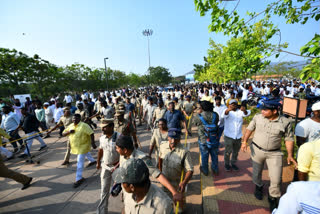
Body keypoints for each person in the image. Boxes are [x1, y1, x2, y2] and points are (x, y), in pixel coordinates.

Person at [241, 100, 296, 212]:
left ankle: (273, 197)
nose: (262, 111)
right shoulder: (257, 117)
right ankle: (258, 186)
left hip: (274, 153)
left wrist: (290, 155)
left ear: (274, 111)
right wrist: (244, 141)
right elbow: (249, 129)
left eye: (265, 110)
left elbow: (289, 139)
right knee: (256, 172)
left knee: (276, 178)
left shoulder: (285, 122)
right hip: (257, 150)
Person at [115, 135, 183, 206]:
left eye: (117, 148)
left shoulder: (142, 159)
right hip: (126, 193)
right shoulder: (123, 156)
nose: (116, 150)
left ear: (125, 150)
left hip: (138, 196)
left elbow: (157, 174)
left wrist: (174, 192)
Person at [158, 128, 193, 212]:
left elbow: (190, 170)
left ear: (179, 139)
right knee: (166, 206)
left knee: (179, 209)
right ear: (168, 138)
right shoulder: (162, 146)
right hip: (165, 183)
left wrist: (184, 182)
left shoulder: (184, 152)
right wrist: (160, 172)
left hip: (178, 186)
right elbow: (160, 159)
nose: (173, 141)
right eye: (171, 138)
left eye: (175, 138)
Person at [62, 114, 97, 188]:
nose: (74, 120)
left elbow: (91, 133)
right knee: (86, 153)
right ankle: (92, 160)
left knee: (79, 162)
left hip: (83, 146)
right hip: (75, 147)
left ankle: (79, 178)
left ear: (79, 119)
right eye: (73, 119)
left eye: (76, 119)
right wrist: (69, 132)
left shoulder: (84, 125)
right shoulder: (71, 126)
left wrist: (93, 143)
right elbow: (63, 134)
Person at [96, 119, 120, 214]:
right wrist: (98, 162)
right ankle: (102, 211)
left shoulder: (119, 137)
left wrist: (119, 166)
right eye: (102, 127)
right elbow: (100, 150)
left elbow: (124, 154)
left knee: (122, 189)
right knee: (104, 191)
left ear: (111, 127)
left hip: (117, 167)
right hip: (105, 167)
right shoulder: (102, 138)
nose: (102, 129)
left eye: (105, 127)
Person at [223, 100, 250, 171]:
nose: (233, 105)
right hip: (229, 136)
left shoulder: (240, 111)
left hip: (238, 136)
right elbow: (223, 115)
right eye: (232, 104)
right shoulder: (227, 111)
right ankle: (226, 164)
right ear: (229, 105)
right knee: (228, 151)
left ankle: (233, 163)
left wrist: (244, 110)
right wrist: (228, 110)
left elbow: (247, 114)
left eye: (235, 104)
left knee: (235, 151)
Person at [193, 101, 219, 176]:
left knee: (204, 155)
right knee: (214, 155)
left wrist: (199, 112)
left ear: (202, 108)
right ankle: (215, 169)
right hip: (214, 139)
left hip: (203, 139)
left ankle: (205, 170)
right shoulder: (215, 115)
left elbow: (195, 123)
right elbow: (217, 122)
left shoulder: (199, 116)